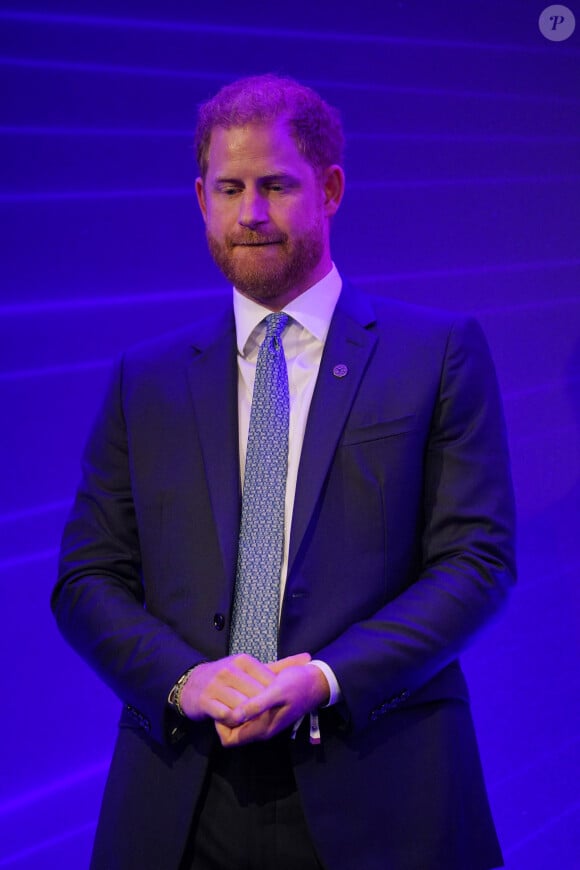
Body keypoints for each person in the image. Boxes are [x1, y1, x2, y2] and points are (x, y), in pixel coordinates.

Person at [53, 73, 516, 870]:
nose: (251, 213)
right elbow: (87, 578)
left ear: (330, 189)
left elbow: (477, 564)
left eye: (276, 185)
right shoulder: (146, 380)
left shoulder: (435, 354)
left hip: (382, 788)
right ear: (200, 197)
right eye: (229, 188)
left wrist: (331, 677)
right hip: (181, 805)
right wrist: (185, 680)